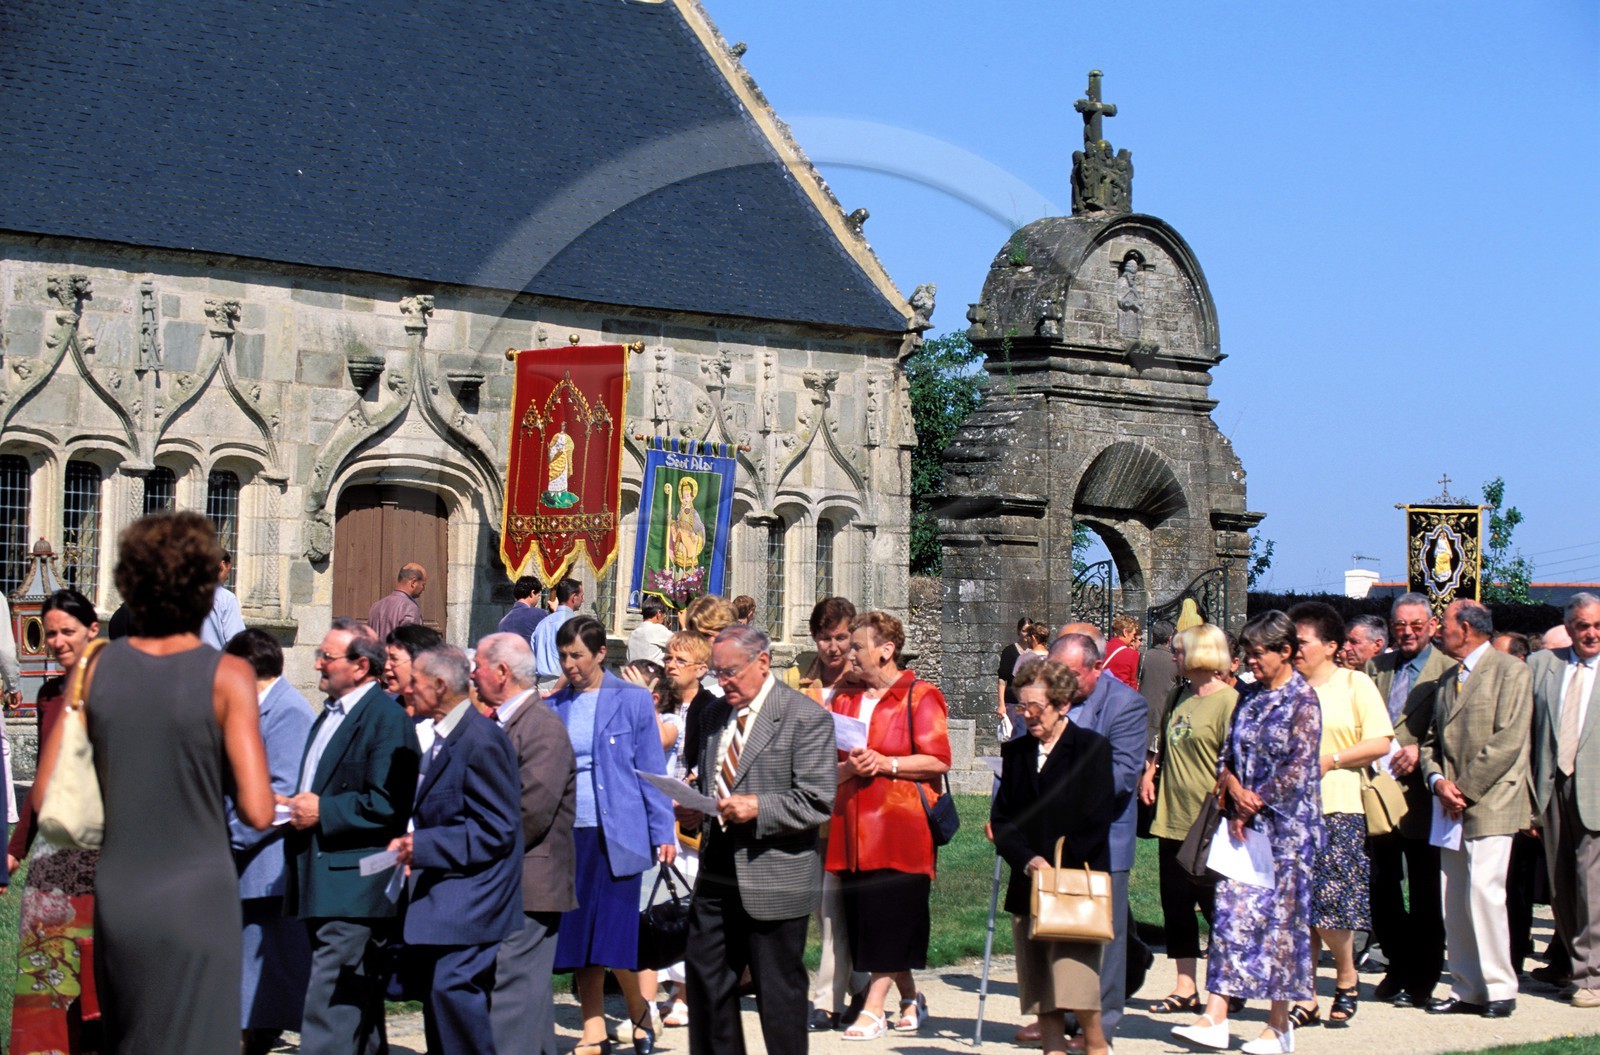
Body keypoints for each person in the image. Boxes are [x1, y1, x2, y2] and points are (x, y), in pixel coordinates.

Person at [30, 512, 276, 1053]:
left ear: (130, 583)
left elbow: (47, 786)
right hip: (200, 890)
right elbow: (258, 809)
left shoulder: (95, 669)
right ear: (205, 587)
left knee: (133, 1038)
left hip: (123, 890)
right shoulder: (229, 674)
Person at [681, 624, 835, 1055]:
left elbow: (818, 801)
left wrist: (758, 808)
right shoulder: (713, 715)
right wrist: (696, 807)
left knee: (778, 993)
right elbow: (715, 779)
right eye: (716, 673)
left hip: (774, 874)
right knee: (707, 983)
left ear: (762, 662)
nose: (722, 682)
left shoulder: (805, 718)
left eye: (730, 672)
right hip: (716, 873)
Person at [1173, 610, 1322, 1055]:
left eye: (1259, 654)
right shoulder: (1249, 697)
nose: (1250, 662)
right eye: (1247, 654)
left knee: (1281, 926)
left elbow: (1300, 765)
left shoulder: (1303, 700)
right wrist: (1233, 786)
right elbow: (1227, 752)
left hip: (1288, 835)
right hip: (1242, 829)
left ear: (1285, 652)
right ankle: (1215, 1015)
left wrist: (1255, 799)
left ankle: (1279, 1027)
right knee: (1230, 915)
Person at [283, 617, 422, 1055]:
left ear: (361, 666)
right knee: (357, 1006)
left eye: (327, 656)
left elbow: (388, 802)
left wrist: (322, 809)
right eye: (319, 654)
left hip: (356, 886)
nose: (317, 664)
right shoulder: (331, 712)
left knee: (330, 1009)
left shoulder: (385, 720)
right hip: (321, 878)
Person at [548, 615, 677, 1055]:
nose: (570, 665)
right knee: (579, 935)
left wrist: (664, 831)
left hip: (620, 833)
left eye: (578, 655)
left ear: (601, 654)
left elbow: (650, 771)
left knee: (617, 935)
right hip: (570, 834)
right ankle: (593, 1030)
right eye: (564, 656)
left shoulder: (632, 701)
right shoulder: (555, 703)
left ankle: (641, 1012)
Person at [390, 644, 523, 1055]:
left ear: (441, 685)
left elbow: (497, 829)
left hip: (476, 897)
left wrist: (424, 845)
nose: (407, 690)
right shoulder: (445, 735)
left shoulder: (480, 740)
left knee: (453, 991)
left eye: (415, 682)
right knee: (437, 994)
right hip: (447, 893)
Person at [828, 611, 951, 1039]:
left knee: (891, 918)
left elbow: (938, 759)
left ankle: (874, 1008)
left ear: (886, 650)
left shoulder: (920, 695)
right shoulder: (844, 698)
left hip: (901, 829)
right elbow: (828, 760)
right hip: (851, 828)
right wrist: (848, 768)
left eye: (857, 646)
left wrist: (887, 762)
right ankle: (910, 997)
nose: (849, 654)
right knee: (869, 921)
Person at [992, 659, 1116, 1055]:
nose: (1027, 715)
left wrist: (1056, 866)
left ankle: (1096, 1046)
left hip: (1075, 882)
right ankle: (1052, 1049)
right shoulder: (1016, 752)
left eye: (1035, 707)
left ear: (1062, 705)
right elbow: (1002, 819)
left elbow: (1097, 819)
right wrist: (1028, 860)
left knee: (1074, 979)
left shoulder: (1091, 749)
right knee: (1040, 983)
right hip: (1028, 881)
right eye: (1021, 706)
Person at [1422, 599, 1532, 1019]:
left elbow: (1508, 740)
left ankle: (1500, 988)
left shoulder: (1510, 671)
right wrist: (1438, 782)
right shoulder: (1449, 677)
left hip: (1492, 801)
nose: (1438, 629)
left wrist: (1463, 789)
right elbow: (1431, 742)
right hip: (1449, 807)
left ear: (1466, 628)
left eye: (1444, 622)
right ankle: (1466, 988)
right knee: (1455, 897)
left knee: (1485, 893)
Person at [1285, 602, 1393, 1027]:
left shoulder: (1354, 684)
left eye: (1303, 642)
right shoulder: (1287, 687)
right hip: (1289, 812)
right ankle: (1305, 995)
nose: (1294, 649)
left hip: (1338, 806)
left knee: (1330, 908)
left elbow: (1381, 742)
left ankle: (1346, 976)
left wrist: (1331, 759)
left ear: (1330, 646)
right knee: (1298, 911)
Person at [7, 589, 104, 1055]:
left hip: (101, 858)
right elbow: (40, 794)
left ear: (92, 630)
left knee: (94, 987)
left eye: (68, 631)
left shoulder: (111, 696)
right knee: (46, 982)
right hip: (51, 863)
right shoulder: (48, 697)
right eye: (50, 633)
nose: (58, 641)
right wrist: (14, 850)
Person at [471, 633, 578, 1055]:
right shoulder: (502, 721)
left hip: (531, 880)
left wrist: (469, 847)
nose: (471, 675)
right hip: (506, 876)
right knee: (526, 999)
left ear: (501, 672)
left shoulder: (541, 726)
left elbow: (529, 811)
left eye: (477, 665)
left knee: (514, 996)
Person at [1047, 630, 1148, 1044]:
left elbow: (1123, 774)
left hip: (1104, 838)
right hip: (1052, 841)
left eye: (1070, 673)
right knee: (1061, 932)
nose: (1061, 682)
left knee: (1104, 937)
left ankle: (1101, 1026)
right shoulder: (1049, 699)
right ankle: (1063, 1015)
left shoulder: (1126, 705)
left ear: (1097, 668)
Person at [225, 628, 317, 1055]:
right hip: (248, 860)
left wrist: (228, 835)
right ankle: (255, 1030)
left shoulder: (288, 712)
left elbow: (281, 792)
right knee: (252, 966)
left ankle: (255, 1033)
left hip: (265, 860)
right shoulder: (253, 708)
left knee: (267, 963)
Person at [1139, 624, 1238, 1015]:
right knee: (1176, 905)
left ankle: (1227, 985)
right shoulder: (1179, 694)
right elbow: (1164, 741)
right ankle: (1185, 986)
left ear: (1200, 654)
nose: (1173, 656)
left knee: (1216, 906)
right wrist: (1151, 771)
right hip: (1171, 817)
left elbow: (1236, 761)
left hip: (1209, 821)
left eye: (1179, 651)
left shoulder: (1230, 701)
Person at [1364, 592, 1452, 1007]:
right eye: (1401, 625)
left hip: (1421, 799)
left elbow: (1452, 732)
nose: (1408, 632)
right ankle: (1397, 965)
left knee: (1425, 894)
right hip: (1377, 797)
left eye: (1417, 625)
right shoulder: (1375, 667)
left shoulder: (1447, 671)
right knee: (1380, 889)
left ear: (1432, 626)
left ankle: (1423, 978)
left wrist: (1421, 751)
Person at [797, 596, 869, 1031]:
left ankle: (827, 1000)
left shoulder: (862, 686)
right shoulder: (799, 681)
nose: (834, 647)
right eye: (825, 637)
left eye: (842, 637)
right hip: (807, 809)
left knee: (832, 907)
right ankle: (865, 986)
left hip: (850, 810)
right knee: (818, 906)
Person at [1531, 593, 1600, 1008]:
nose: (1591, 633)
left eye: (1596, 625)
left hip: (1595, 790)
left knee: (1590, 881)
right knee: (1560, 885)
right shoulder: (1543, 665)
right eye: (1582, 626)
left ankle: (1592, 975)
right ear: (1569, 627)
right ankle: (1577, 966)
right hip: (1551, 788)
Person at [386, 624, 445, 752]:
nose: (386, 666)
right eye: (386, 658)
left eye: (394, 659)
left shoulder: (440, 720)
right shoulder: (386, 708)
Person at [532, 577, 583, 694]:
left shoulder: (542, 623)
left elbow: (533, 654)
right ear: (573, 597)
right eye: (581, 596)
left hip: (542, 684)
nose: (582, 600)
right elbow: (574, 663)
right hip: (564, 686)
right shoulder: (573, 624)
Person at [1140, 619, 1180, 752]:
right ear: (1170, 638)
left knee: (1146, 751)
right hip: (1164, 711)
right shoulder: (1174, 660)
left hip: (1144, 710)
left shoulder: (1144, 656)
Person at [200, 548, 248, 650]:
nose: (227, 577)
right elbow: (236, 642)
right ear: (222, 565)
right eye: (228, 570)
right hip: (214, 662)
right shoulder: (226, 599)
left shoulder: (184, 593)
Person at [367, 562, 427, 641]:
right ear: (413, 582)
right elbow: (410, 644)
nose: (423, 589)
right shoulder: (410, 608)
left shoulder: (376, 606)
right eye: (423, 584)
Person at [997, 617, 1032, 743]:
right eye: (1024, 631)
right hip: (1012, 702)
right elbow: (1002, 680)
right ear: (1018, 631)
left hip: (1030, 704)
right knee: (1011, 739)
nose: (1026, 634)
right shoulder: (1009, 651)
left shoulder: (1036, 653)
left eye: (1029, 631)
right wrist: (1001, 704)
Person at [498, 576, 547, 641]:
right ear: (532, 593)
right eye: (538, 595)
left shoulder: (503, 622)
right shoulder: (539, 614)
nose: (538, 599)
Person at [628, 597, 674, 664]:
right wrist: (684, 625)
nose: (664, 618)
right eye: (664, 615)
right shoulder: (657, 629)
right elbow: (682, 644)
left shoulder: (634, 633)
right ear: (659, 613)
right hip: (653, 673)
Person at [1104, 613, 1142, 690]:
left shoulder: (1101, 648)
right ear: (1125, 632)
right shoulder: (1132, 654)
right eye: (1133, 634)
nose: (1133, 639)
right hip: (1121, 696)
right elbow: (1132, 684)